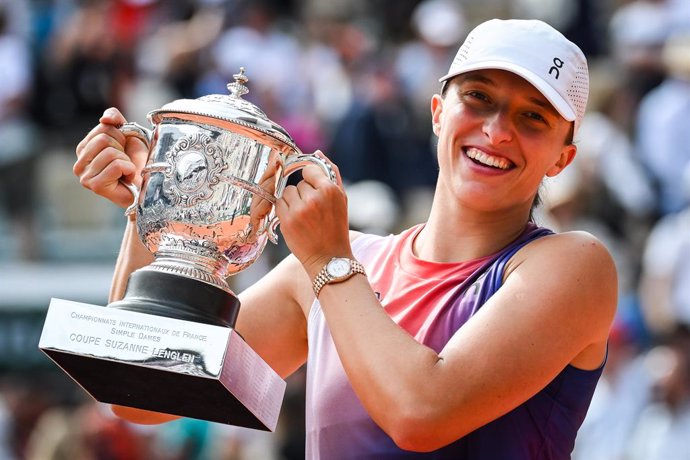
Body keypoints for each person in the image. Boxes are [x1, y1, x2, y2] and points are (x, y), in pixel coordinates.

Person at [72, 18, 617, 459]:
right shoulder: (329, 270)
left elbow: (420, 415)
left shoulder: (575, 265)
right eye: (478, 97)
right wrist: (154, 211)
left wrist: (330, 260)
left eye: (532, 118)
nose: (497, 131)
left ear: (562, 158)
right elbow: (140, 397)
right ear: (436, 113)